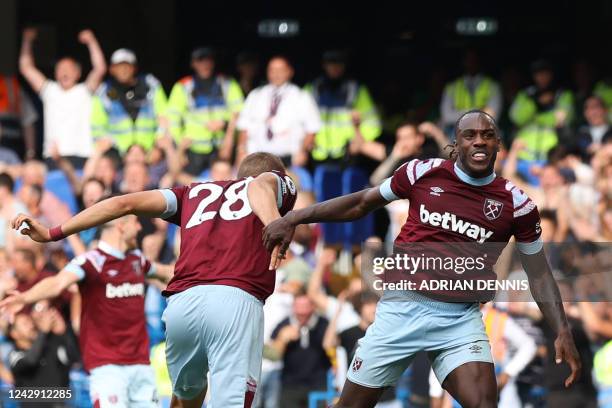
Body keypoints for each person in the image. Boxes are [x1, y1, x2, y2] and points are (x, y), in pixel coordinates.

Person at [263, 110, 581, 408]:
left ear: (498, 143)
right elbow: (361, 203)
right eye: (469, 135)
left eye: (487, 134)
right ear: (455, 146)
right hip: (401, 308)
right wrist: (295, 218)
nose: (479, 140)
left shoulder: (517, 204)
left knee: (485, 403)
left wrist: (562, 329)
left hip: (459, 319)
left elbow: (539, 272)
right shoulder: (423, 172)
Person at [6, 152, 297, 408]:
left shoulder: (191, 194)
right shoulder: (269, 182)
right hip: (234, 300)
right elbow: (260, 184)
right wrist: (276, 223)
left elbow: (122, 203)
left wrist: (53, 233)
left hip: (183, 306)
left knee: (187, 395)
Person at [1, 215, 173, 407]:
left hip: (141, 366)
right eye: (136, 221)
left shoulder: (137, 260)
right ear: (121, 226)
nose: (140, 227)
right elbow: (58, 283)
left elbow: (166, 272)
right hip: (109, 370)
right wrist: (25, 297)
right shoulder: (91, 262)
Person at [19, 28, 106, 168]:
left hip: (81, 156)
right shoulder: (49, 90)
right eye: (60, 69)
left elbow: (100, 68)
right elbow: (26, 68)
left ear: (78, 73)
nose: (64, 72)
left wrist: (91, 41)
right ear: (55, 73)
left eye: (69, 69)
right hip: (53, 157)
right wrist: (27, 41)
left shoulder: (84, 90)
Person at [167, 47, 244, 175]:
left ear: (213, 63)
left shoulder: (228, 83)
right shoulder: (182, 86)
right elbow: (172, 119)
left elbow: (240, 113)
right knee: (192, 189)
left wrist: (224, 124)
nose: (204, 65)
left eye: (207, 60)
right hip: (192, 150)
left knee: (223, 188)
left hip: (221, 149)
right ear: (193, 64)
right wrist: (180, 146)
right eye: (200, 61)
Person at [236, 56, 321, 167]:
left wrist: (303, 151)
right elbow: (244, 126)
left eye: (280, 70)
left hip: (288, 160)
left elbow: (312, 127)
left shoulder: (301, 97)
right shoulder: (255, 95)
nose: (276, 74)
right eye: (272, 70)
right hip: (258, 158)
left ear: (290, 72)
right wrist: (241, 150)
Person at [305, 50, 382, 164]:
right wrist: (304, 141)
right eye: (331, 63)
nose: (335, 67)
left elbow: (373, 123)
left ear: (344, 65)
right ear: (324, 65)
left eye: (339, 63)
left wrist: (361, 141)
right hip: (316, 153)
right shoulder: (312, 89)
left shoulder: (356, 90)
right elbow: (297, 120)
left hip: (348, 154)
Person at [91, 48, 168, 154]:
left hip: (150, 153)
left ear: (134, 68)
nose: (123, 70)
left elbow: (163, 116)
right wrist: (111, 149)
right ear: (112, 69)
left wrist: (158, 147)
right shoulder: (105, 92)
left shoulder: (150, 85)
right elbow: (97, 125)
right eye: (119, 66)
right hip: (119, 156)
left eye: (127, 66)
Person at [440, 50, 502, 133]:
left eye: (474, 59)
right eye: (468, 59)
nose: (471, 63)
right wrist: (478, 111)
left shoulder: (492, 86)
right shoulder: (452, 87)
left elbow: (493, 116)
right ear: (463, 62)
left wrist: (461, 114)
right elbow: (447, 116)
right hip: (457, 132)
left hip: (484, 132)